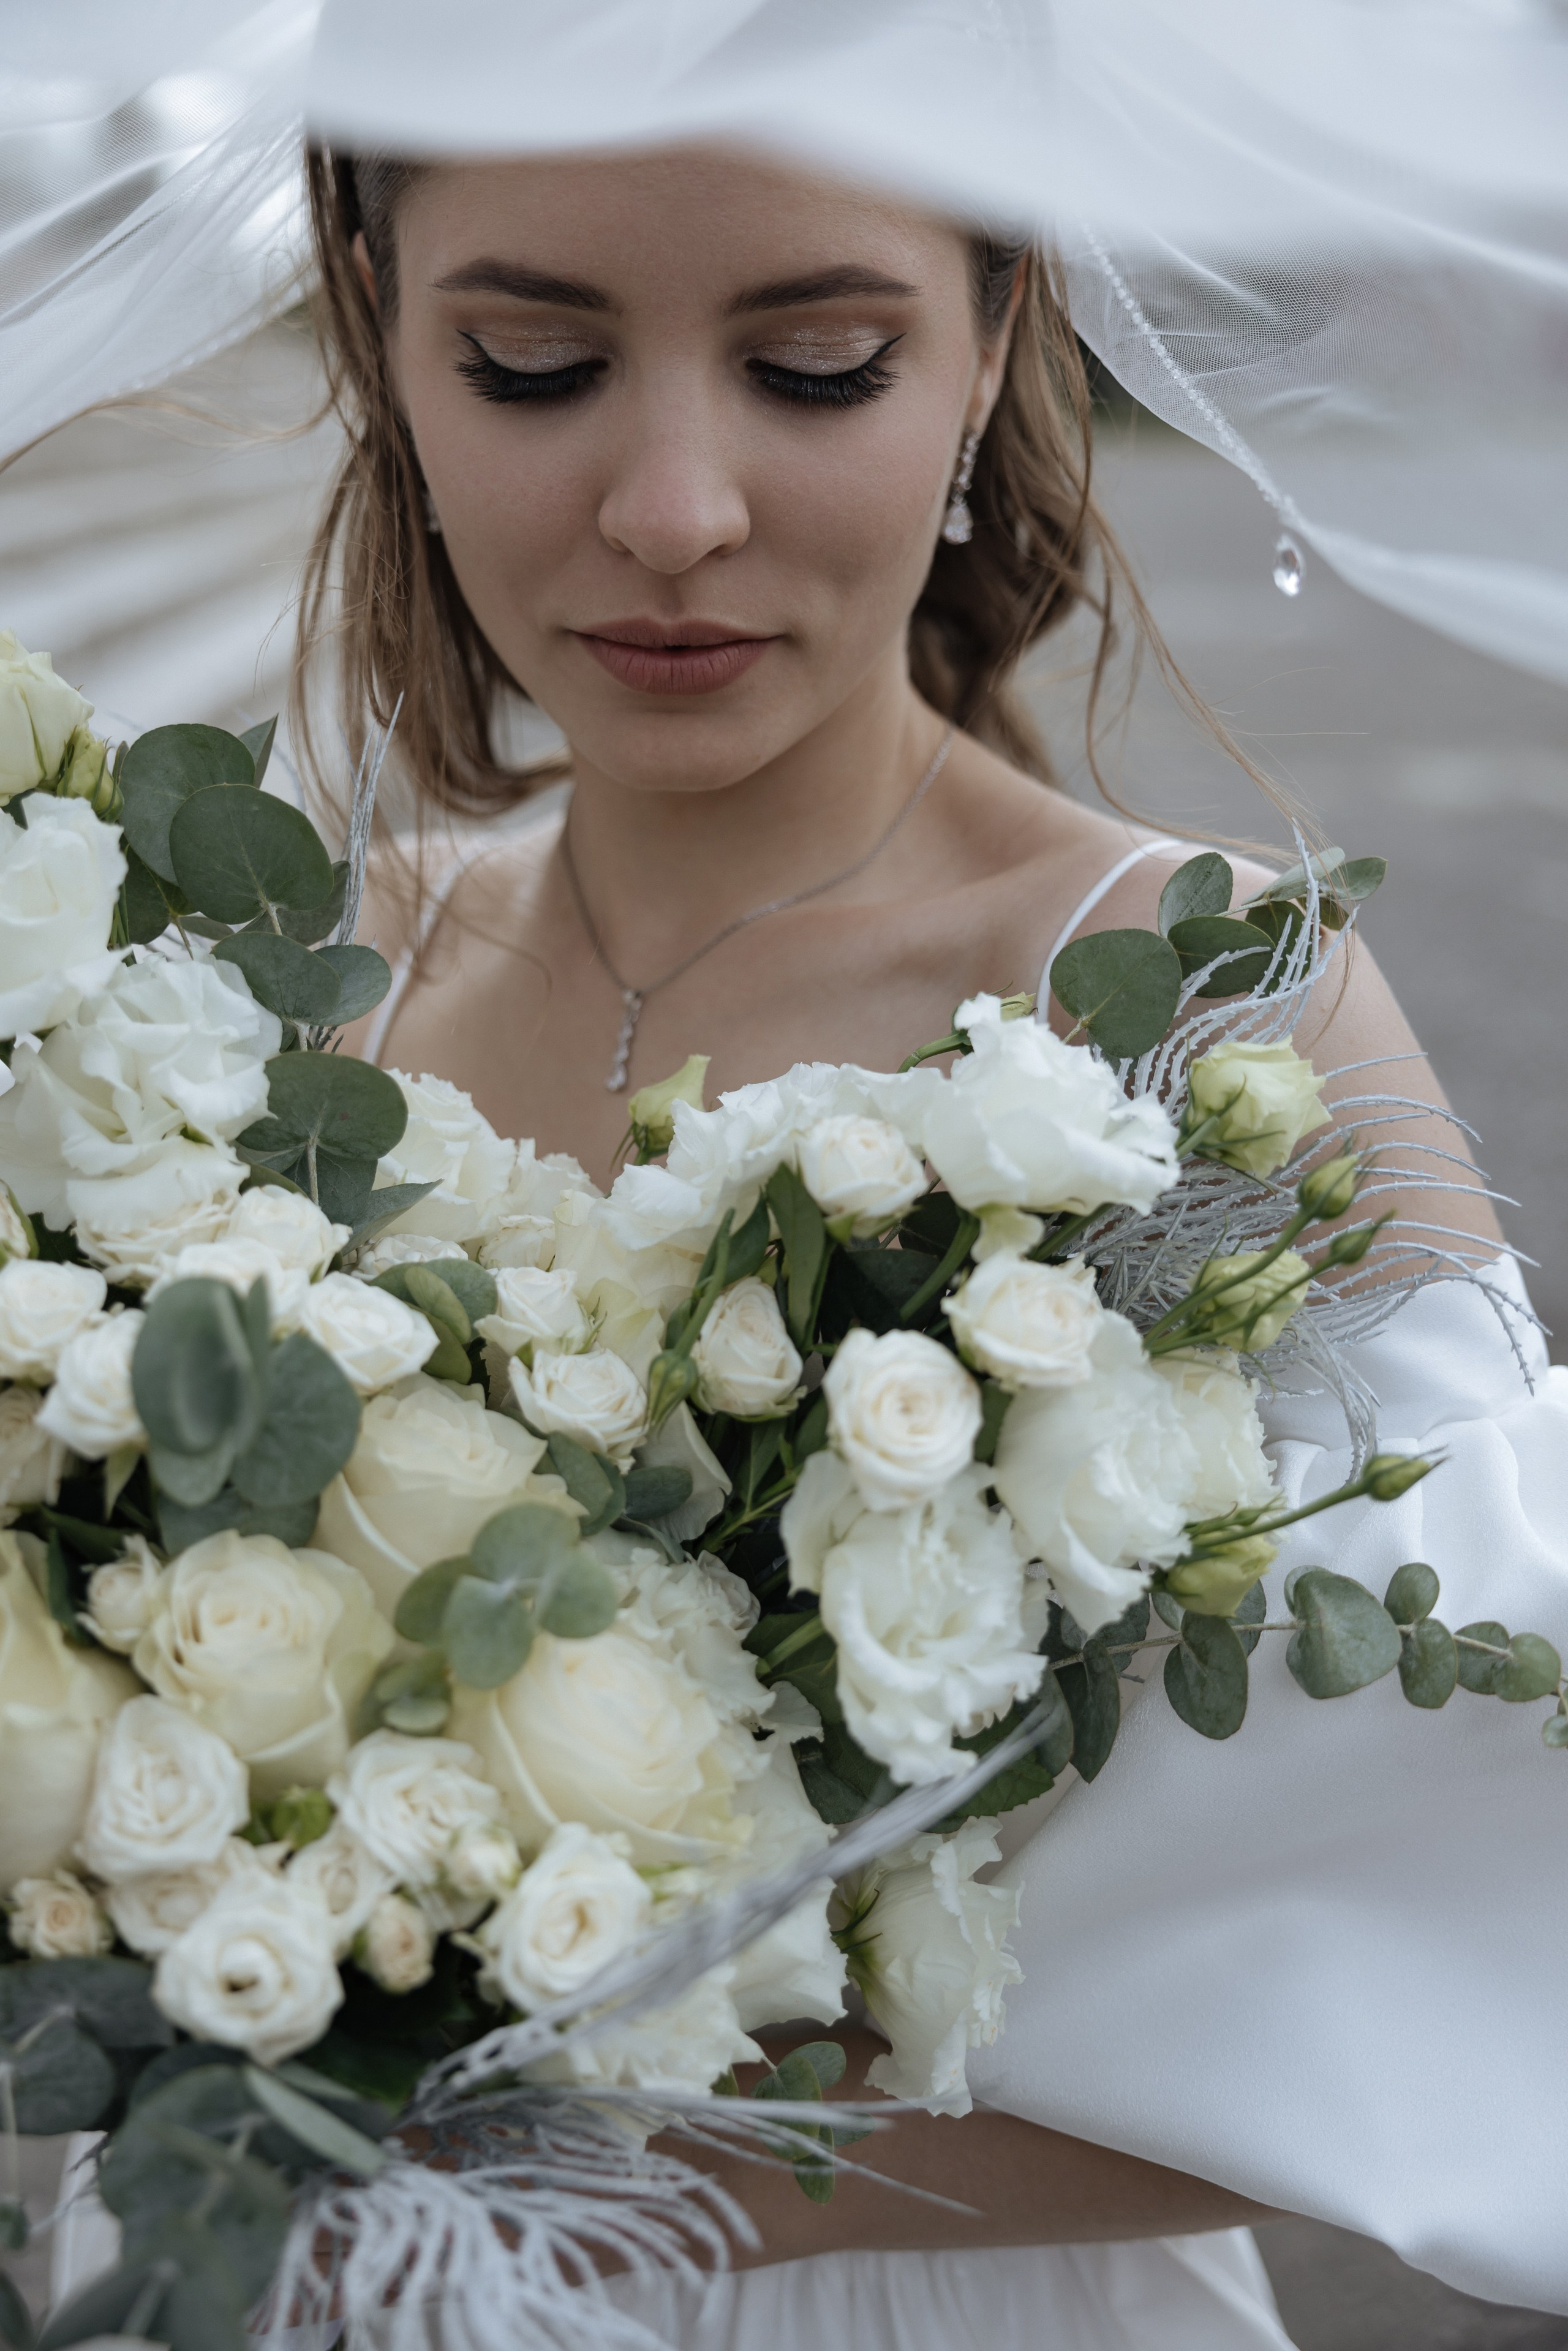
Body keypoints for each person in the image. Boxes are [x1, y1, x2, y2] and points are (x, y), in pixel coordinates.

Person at [284, 136, 1568, 2351]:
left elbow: (1486, 1901)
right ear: (383, 337)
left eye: (814, 368)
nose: (675, 506)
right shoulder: (313, 974)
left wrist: (637, 2185)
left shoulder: (1192, 1007)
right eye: (529, 362)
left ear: (988, 352)